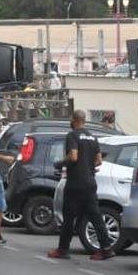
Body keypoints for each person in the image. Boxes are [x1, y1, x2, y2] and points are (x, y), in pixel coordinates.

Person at [47, 110, 113, 261]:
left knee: (69, 217)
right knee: (96, 216)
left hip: (75, 183)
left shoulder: (73, 135)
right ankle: (106, 249)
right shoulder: (92, 137)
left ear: (74, 120)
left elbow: (73, 156)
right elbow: (98, 161)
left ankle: (62, 250)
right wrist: (88, 166)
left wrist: (60, 164)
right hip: (90, 182)